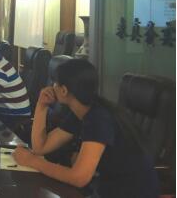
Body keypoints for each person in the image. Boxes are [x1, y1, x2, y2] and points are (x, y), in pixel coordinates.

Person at [13, 59, 159, 198]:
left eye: (55, 83)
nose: (52, 86)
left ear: (63, 90)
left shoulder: (98, 118)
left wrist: (33, 161)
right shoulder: (81, 112)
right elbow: (41, 147)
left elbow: (79, 178)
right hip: (106, 189)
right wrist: (41, 105)